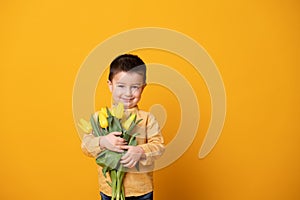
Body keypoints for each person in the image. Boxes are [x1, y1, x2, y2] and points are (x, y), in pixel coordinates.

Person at [81, 54, 165, 200]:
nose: (128, 93)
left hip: (141, 190)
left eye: (135, 87)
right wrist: (102, 141)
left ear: (143, 88)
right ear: (110, 85)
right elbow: (85, 146)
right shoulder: (100, 117)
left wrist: (141, 151)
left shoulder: (146, 119)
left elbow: (159, 147)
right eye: (121, 86)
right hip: (109, 190)